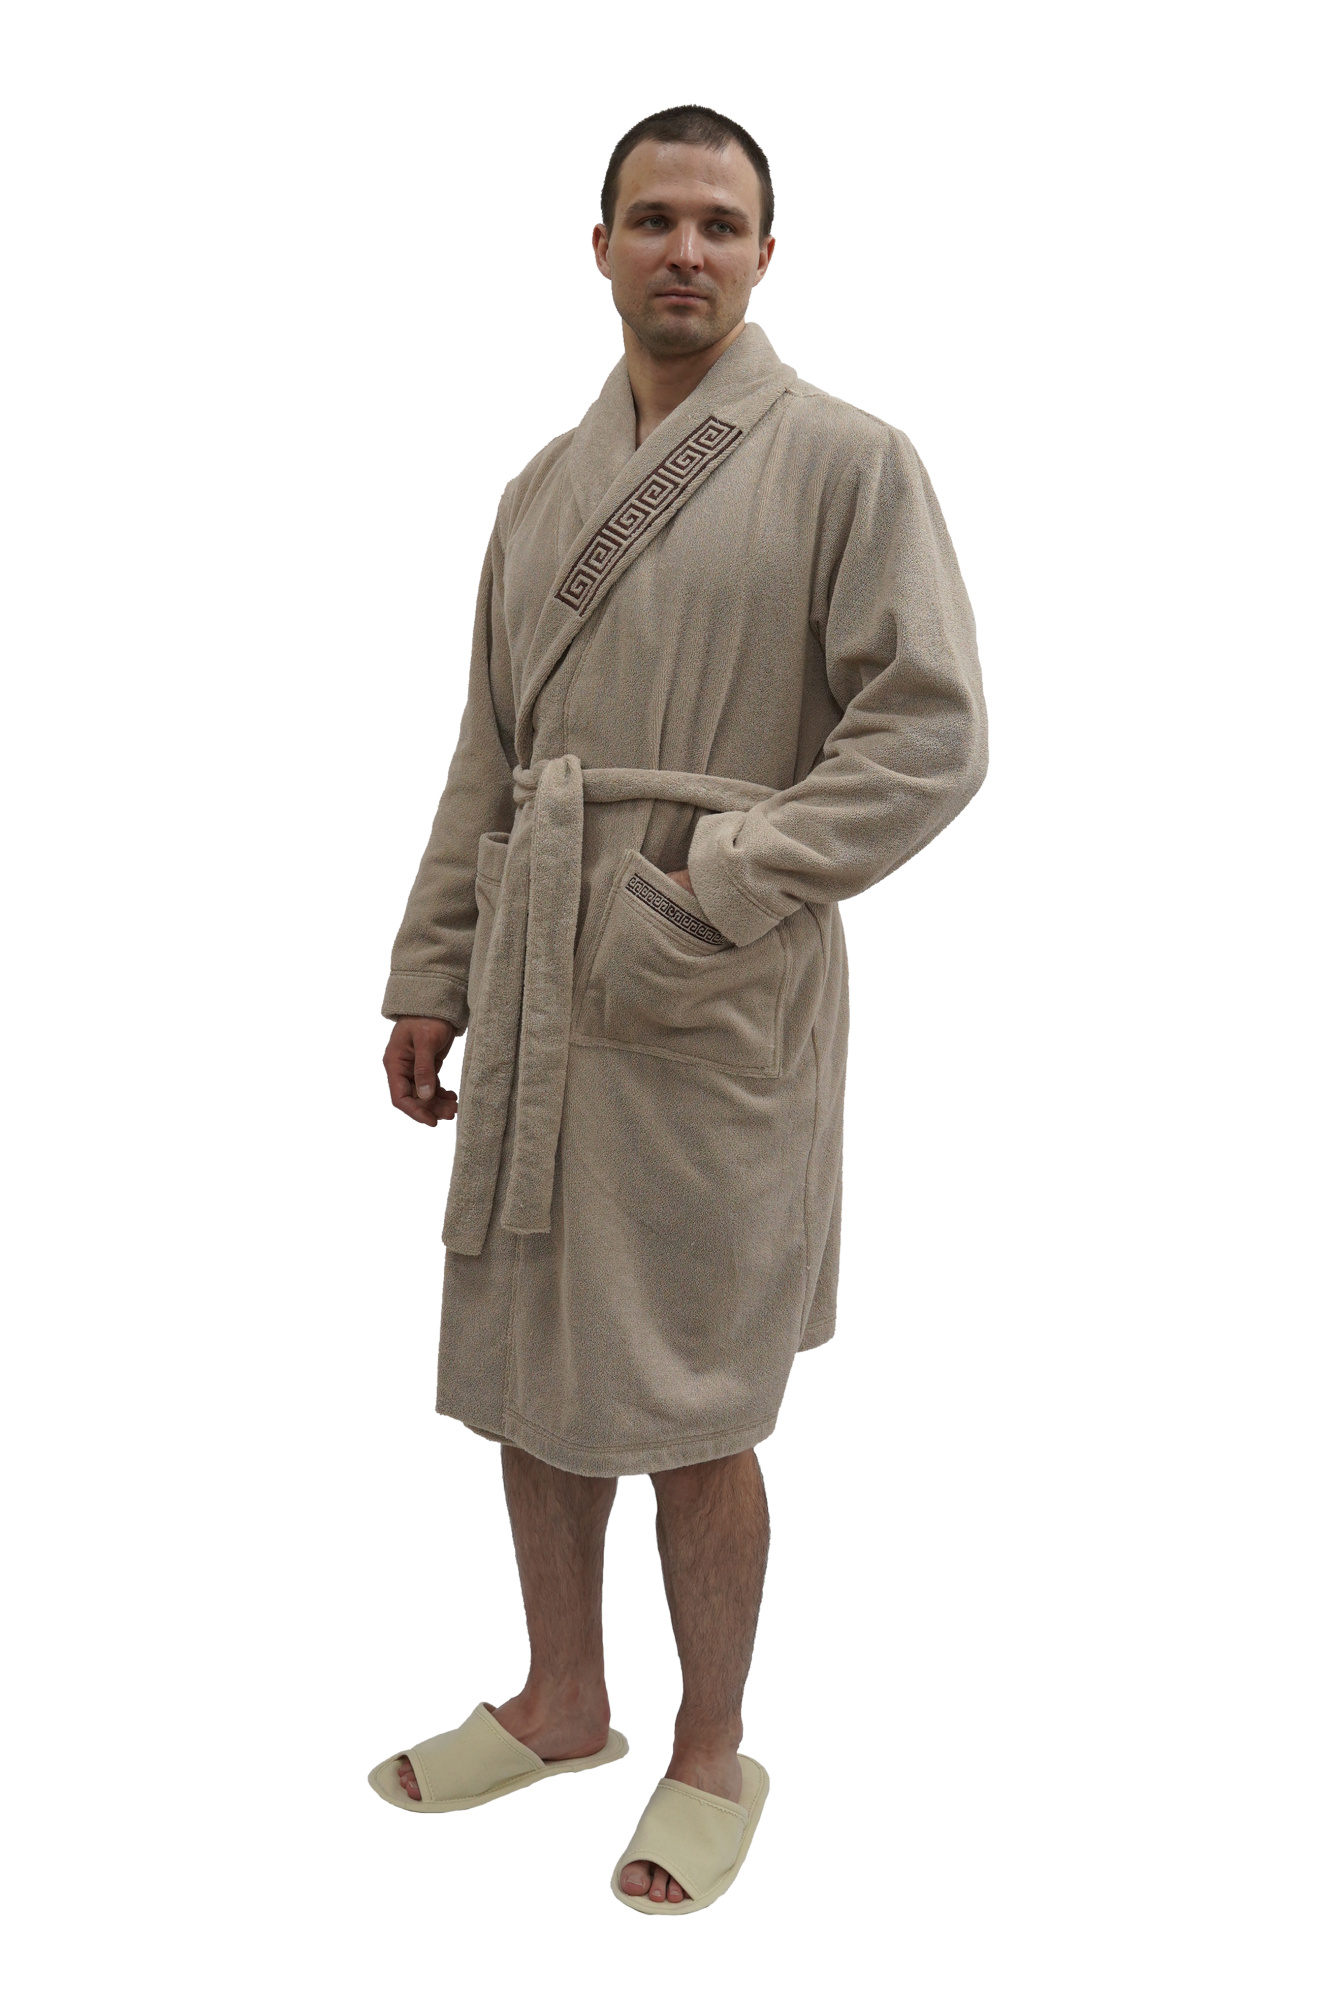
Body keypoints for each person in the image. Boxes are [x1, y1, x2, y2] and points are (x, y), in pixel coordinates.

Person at [371, 103, 987, 1913]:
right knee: (530, 1365)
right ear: (600, 247)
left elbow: (928, 735)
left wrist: (717, 883)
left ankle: (712, 1752)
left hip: (704, 987)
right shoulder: (536, 492)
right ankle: (562, 1700)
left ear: (766, 255)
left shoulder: (847, 462)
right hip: (533, 969)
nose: (685, 250)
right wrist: (430, 972)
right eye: (653, 218)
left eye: (720, 222)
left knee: (695, 1393)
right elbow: (486, 753)